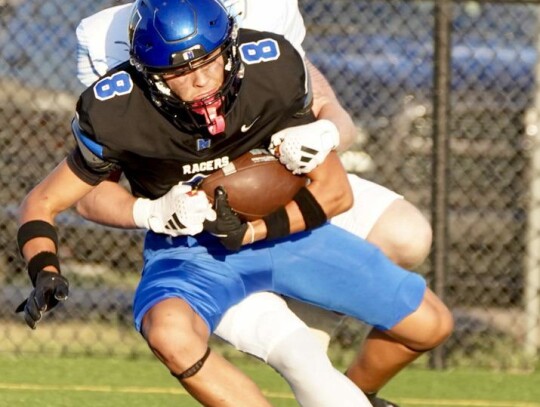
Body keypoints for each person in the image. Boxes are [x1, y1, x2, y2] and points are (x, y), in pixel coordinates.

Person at [16, 1, 453, 406]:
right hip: (191, 249)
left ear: (230, 46)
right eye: (178, 72)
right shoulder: (116, 107)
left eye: (208, 60)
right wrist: (52, 266)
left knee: (431, 325)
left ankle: (355, 392)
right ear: (147, 73)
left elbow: (336, 192)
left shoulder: (272, 66)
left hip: (288, 230)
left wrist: (317, 144)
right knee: (169, 332)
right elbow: (45, 200)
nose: (200, 80)